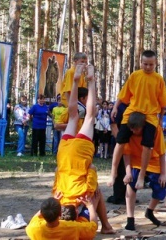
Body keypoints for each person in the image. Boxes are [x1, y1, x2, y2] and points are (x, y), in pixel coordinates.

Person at [53, 64, 114, 234]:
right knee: (74, 116)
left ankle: (91, 80)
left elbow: (92, 169)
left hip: (79, 152)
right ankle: (75, 82)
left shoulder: (84, 194)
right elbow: (57, 171)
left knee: (89, 116)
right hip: (63, 154)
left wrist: (90, 205)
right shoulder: (58, 197)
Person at [108, 50, 166, 190]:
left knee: (147, 144)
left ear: (155, 64)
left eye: (151, 65)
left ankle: (141, 176)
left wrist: (160, 120)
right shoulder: (135, 76)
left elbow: (163, 103)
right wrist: (115, 108)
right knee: (120, 141)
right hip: (132, 112)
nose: (148, 67)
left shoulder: (159, 79)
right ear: (141, 62)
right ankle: (113, 172)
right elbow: (123, 95)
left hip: (150, 116)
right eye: (145, 64)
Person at [123, 113, 166, 230]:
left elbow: (162, 152)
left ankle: (149, 211)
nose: (133, 131)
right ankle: (130, 219)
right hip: (136, 162)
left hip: (153, 162)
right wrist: (128, 172)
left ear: (143, 126)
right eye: (131, 129)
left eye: (136, 129)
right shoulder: (128, 133)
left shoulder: (154, 129)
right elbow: (126, 154)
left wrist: (163, 174)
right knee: (130, 184)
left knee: (162, 187)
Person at [25, 195, 98, 239]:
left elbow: (34, 219)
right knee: (95, 195)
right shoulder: (73, 227)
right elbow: (93, 227)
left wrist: (52, 203)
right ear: (60, 213)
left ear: (42, 214)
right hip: (79, 224)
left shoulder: (34, 228)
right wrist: (90, 206)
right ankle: (106, 226)